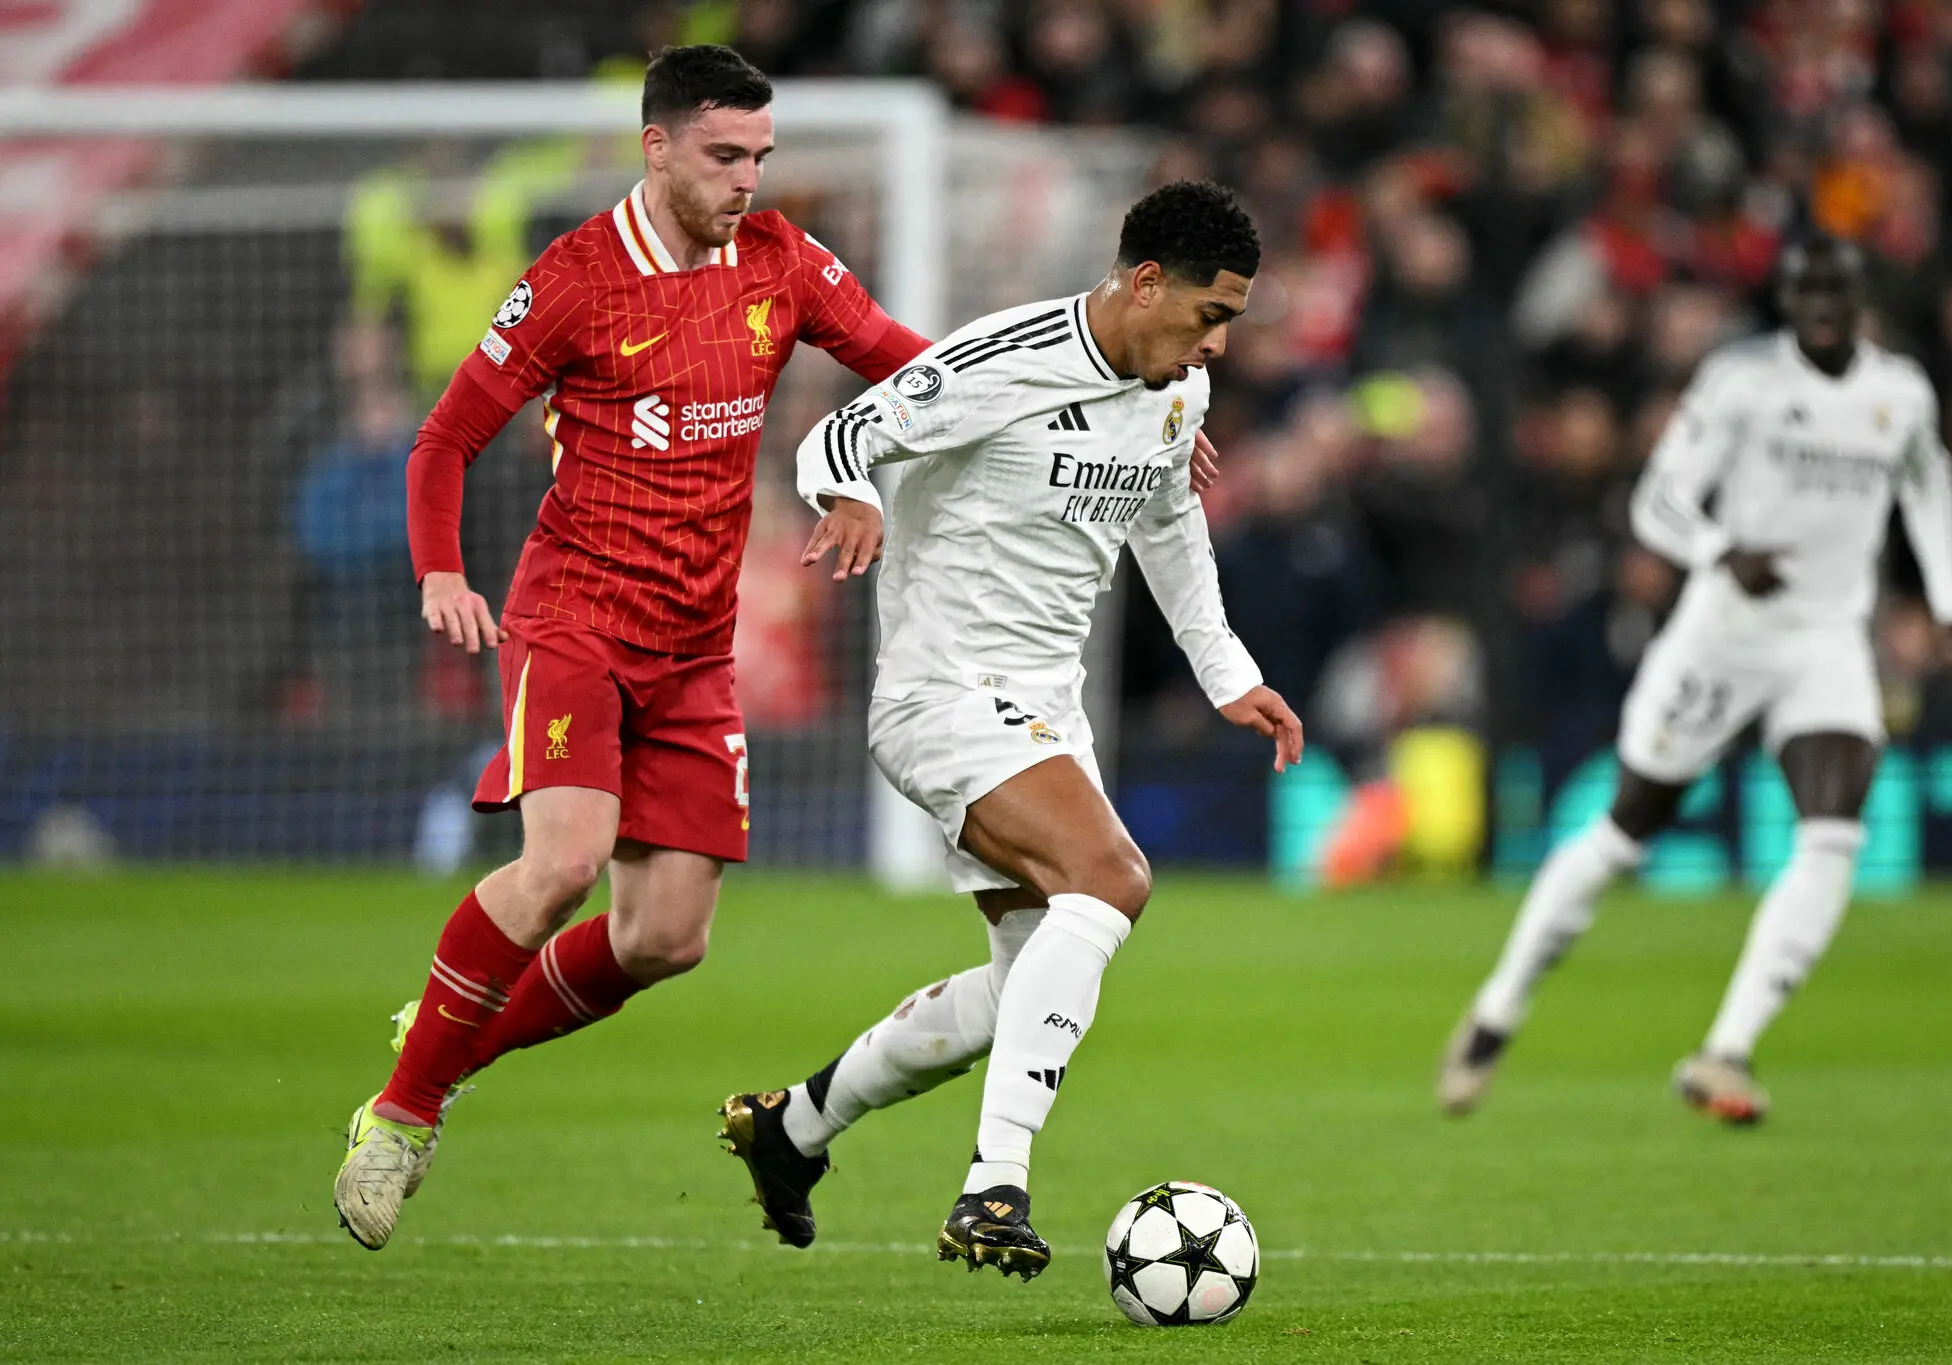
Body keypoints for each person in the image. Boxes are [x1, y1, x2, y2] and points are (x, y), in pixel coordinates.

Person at [330, 44, 939, 1252]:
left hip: (693, 648)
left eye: (759, 157)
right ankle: (403, 1116)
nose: (746, 182)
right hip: (576, 622)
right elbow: (444, 438)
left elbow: (902, 364)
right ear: (654, 147)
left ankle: (441, 1040)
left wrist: (1091, 409)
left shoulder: (780, 262)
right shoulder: (575, 279)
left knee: (667, 939)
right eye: (723, 156)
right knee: (563, 862)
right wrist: (441, 571)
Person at [717, 181, 1304, 1279]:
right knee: (1111, 878)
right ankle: (994, 1186)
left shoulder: (1174, 395)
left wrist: (1228, 673)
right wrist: (850, 497)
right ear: (1142, 284)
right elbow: (847, 427)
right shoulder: (1005, 357)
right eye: (1207, 316)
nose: (1216, 346)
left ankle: (792, 1129)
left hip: (1043, 710)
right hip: (942, 694)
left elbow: (1169, 524)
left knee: (1024, 980)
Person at [1439, 236, 1952, 1125]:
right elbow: (1658, 500)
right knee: (1624, 832)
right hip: (1724, 633)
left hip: (1828, 637)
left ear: (1858, 299)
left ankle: (1726, 1049)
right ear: (1788, 300)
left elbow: (1931, 488)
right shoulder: (1742, 385)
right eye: (1805, 293)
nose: (1821, 309)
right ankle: (1499, 1007)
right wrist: (1723, 551)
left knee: (1835, 835)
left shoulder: (1901, 393)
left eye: (1836, 293)